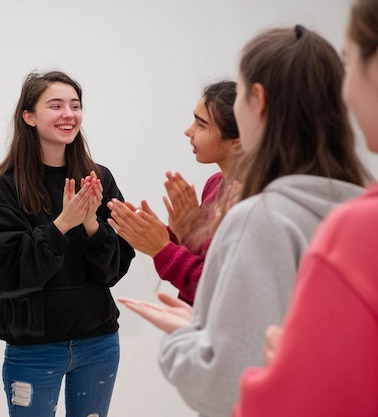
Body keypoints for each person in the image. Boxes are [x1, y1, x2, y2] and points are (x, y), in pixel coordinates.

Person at [117, 25, 371, 417]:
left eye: (203, 123)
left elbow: (223, 384)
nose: (190, 131)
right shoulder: (360, 208)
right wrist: (189, 237)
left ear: (258, 100)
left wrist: (186, 334)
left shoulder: (260, 215)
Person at [232, 2, 378, 415]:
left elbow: (242, 387)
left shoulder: (355, 226)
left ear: (258, 100)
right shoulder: (354, 203)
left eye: (351, 63)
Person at [0, 70, 135, 417]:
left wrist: (91, 224)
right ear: (28, 116)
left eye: (75, 106)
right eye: (56, 105)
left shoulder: (99, 178)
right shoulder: (0, 187)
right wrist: (63, 224)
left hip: (99, 342)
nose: (68, 114)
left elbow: (115, 268)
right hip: (34, 348)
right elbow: (7, 276)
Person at [108, 80, 242, 304]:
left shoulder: (253, 199)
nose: (188, 131)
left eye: (201, 125)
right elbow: (202, 258)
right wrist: (175, 235)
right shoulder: (214, 184)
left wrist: (161, 248)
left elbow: (223, 292)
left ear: (235, 142)